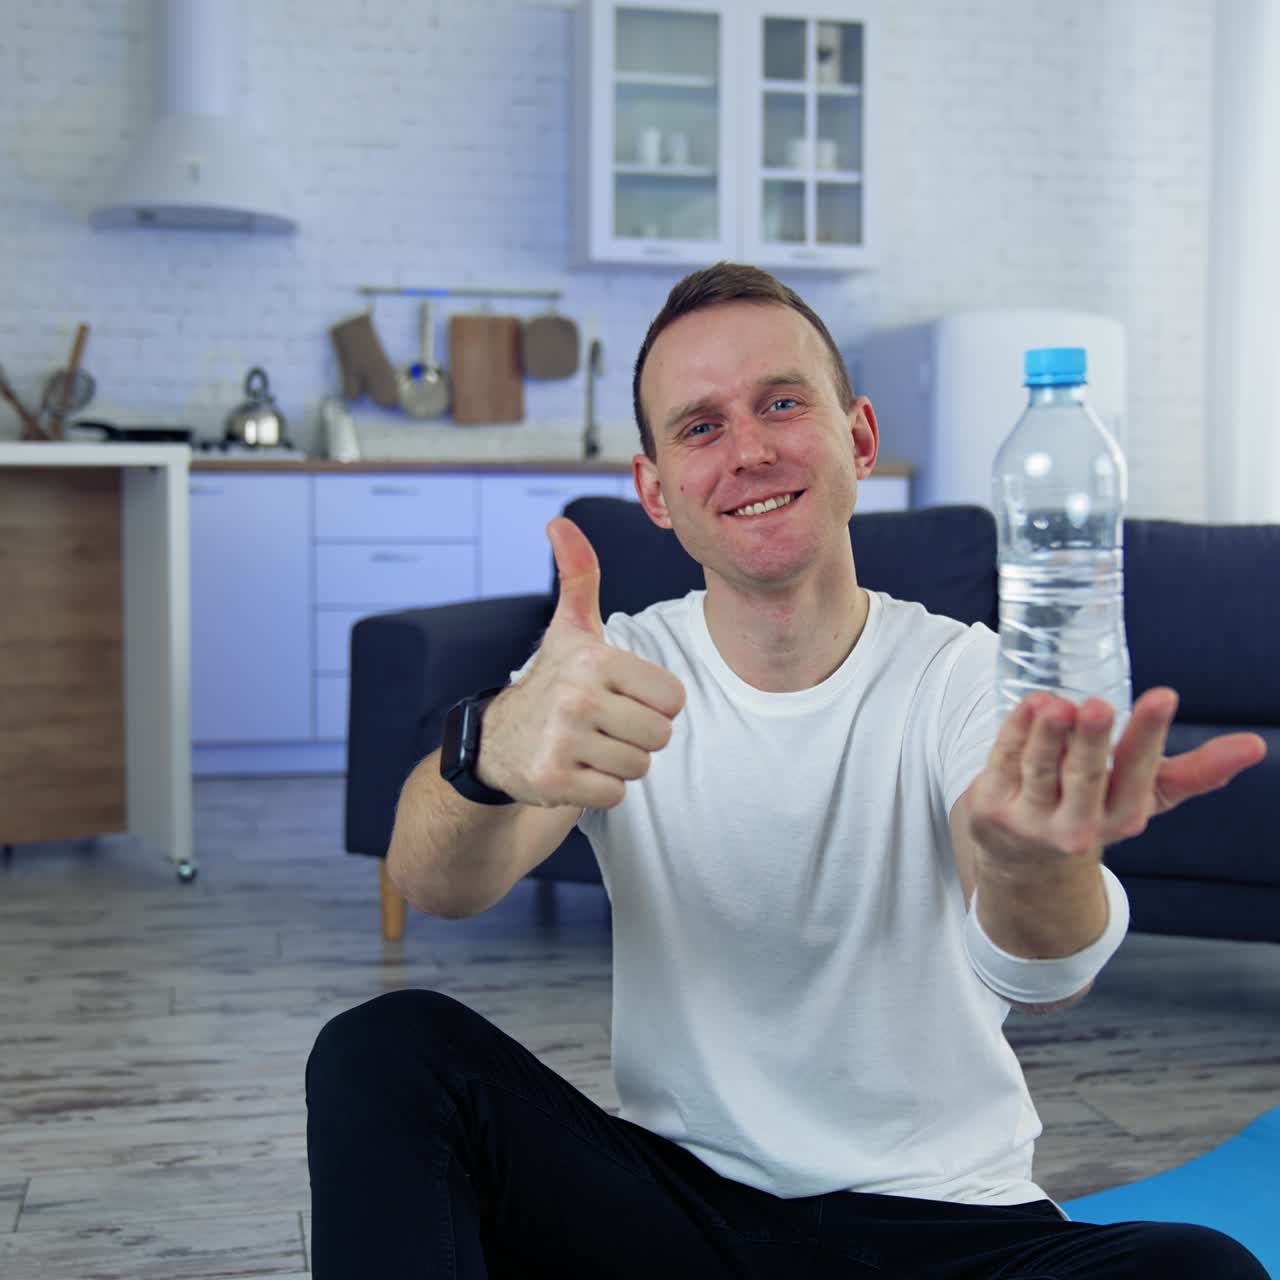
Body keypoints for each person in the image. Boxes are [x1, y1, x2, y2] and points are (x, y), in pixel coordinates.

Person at [306, 263, 1269, 1279]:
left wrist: (1030, 861)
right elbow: (436, 879)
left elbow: (1041, 971)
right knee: (385, 1049)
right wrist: (490, 747)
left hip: (940, 1229)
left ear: (856, 439)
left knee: (1199, 1268)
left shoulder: (963, 675)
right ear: (655, 492)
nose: (748, 449)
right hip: (676, 1214)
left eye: (778, 402)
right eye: (698, 426)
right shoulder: (612, 676)